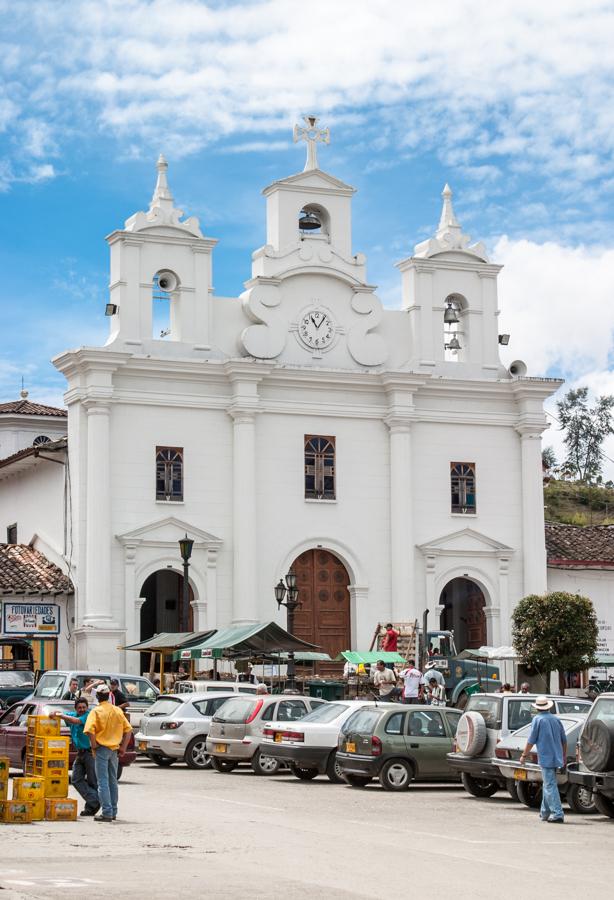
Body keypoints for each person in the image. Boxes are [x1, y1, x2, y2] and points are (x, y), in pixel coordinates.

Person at [84, 684, 132, 823]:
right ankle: (113, 811)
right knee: (112, 781)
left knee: (103, 782)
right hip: (114, 750)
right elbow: (128, 731)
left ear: (98, 696)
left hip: (102, 749)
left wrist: (93, 744)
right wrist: (123, 747)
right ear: (109, 695)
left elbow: (90, 730)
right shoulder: (117, 710)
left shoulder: (96, 711)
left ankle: (107, 813)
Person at [519, 695, 567, 824]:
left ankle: (557, 813)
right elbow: (564, 740)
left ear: (537, 708)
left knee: (550, 785)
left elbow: (531, 740)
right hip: (556, 756)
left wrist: (524, 755)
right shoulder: (556, 720)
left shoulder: (537, 720)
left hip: (546, 757)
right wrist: (563, 756)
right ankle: (545, 812)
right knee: (548, 784)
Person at [52, 698, 100, 816]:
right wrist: (55, 714)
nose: (82, 709)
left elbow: (76, 721)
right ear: (76, 708)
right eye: (79, 708)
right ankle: (95, 801)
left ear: (87, 708)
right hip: (80, 753)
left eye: (84, 707)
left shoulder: (87, 716)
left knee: (92, 781)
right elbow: (62, 715)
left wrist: (60, 715)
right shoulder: (72, 714)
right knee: (76, 779)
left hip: (90, 753)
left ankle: (91, 808)